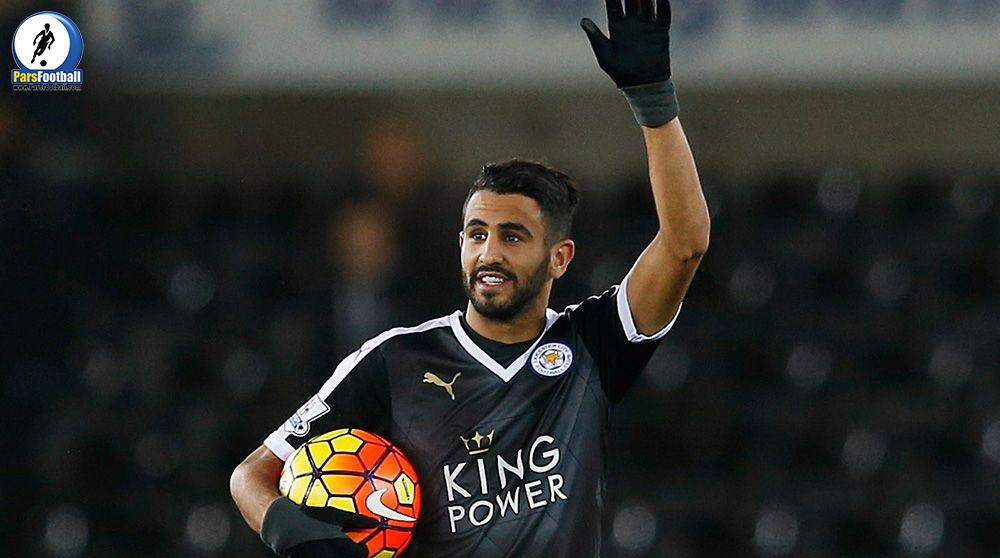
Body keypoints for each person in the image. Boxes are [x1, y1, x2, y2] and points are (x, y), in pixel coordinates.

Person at [230, 1, 710, 556]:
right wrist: (302, 538)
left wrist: (654, 103)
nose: (489, 253)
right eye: (476, 234)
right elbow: (251, 476)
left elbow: (684, 245)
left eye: (513, 237)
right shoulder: (395, 359)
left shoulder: (591, 344)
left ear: (560, 258)